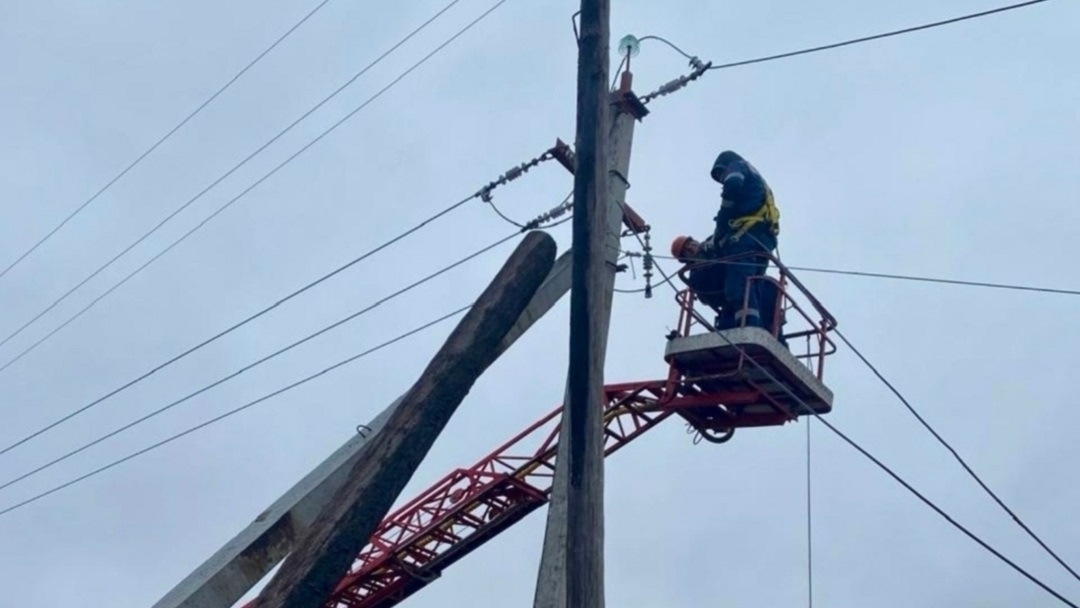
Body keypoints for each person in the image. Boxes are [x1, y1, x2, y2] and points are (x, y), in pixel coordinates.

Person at [708, 150, 780, 330]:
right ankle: (758, 326)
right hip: (764, 238)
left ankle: (746, 327)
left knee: (739, 285)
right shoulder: (757, 178)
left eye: (720, 174)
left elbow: (732, 185)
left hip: (746, 236)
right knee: (754, 284)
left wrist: (722, 223)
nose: (721, 179)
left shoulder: (737, 166)